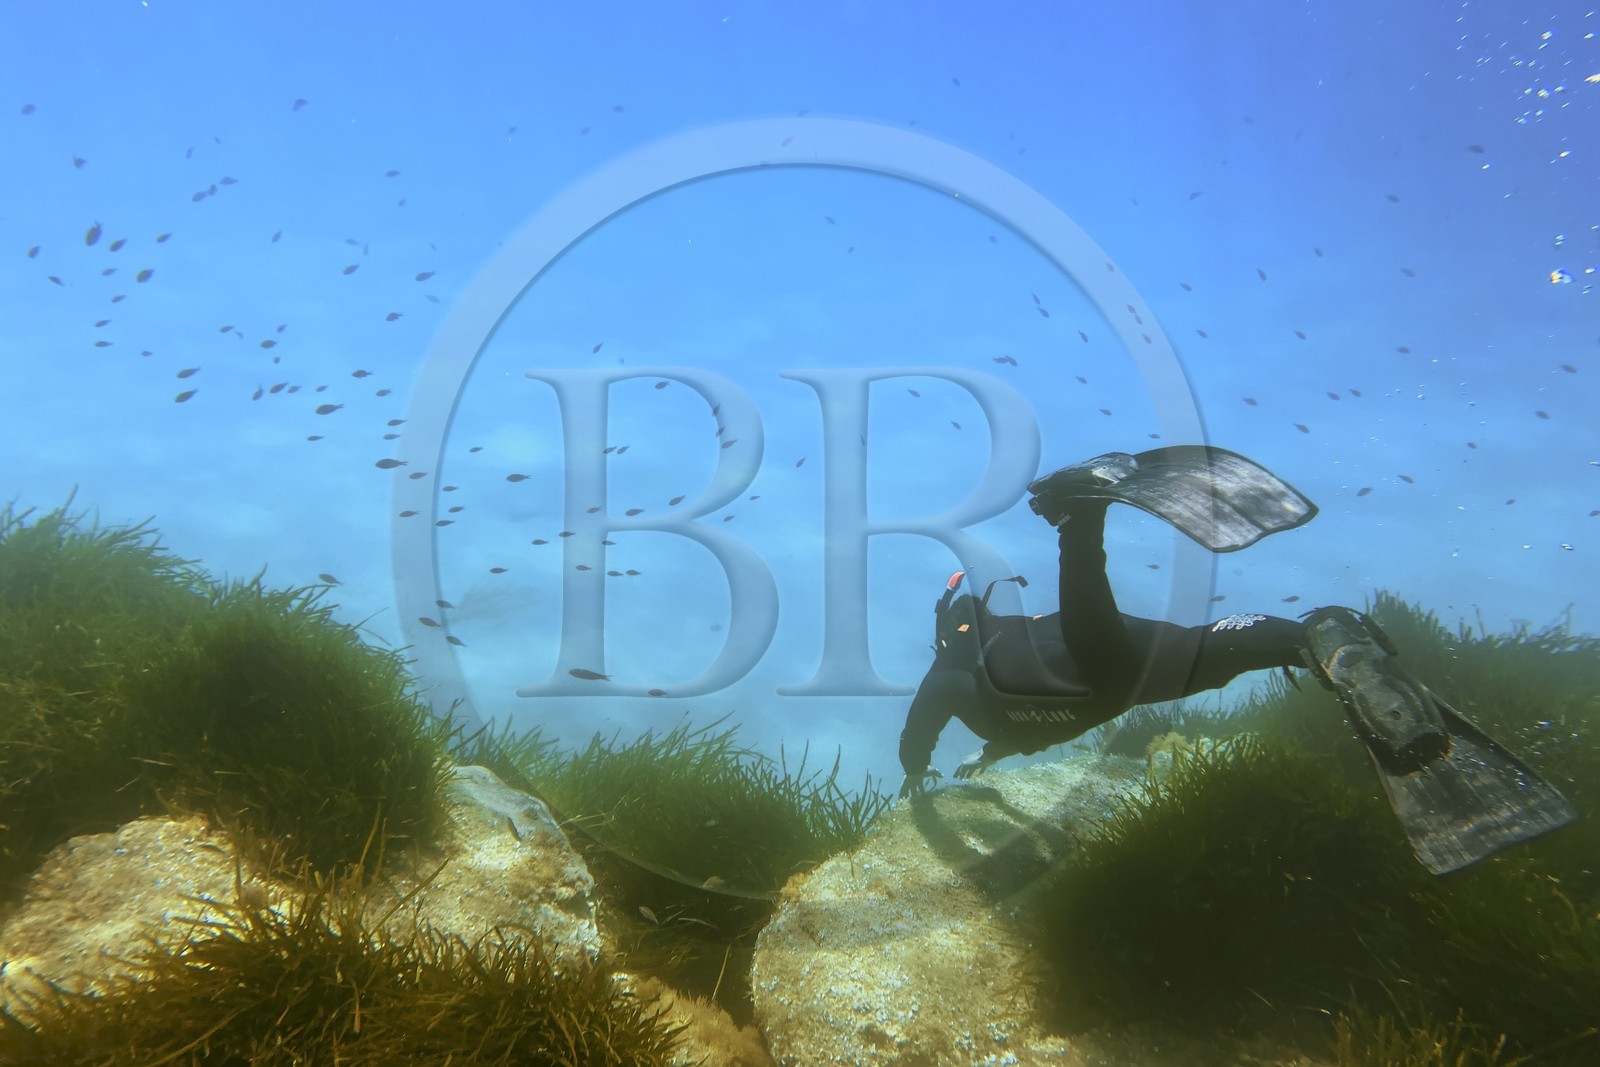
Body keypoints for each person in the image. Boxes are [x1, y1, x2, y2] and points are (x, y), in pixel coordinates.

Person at [896, 447, 1576, 875]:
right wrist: (983, 759)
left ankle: (1079, 518)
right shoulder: (1010, 632)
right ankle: (1326, 637)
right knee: (1234, 647)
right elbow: (1011, 715)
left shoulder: (956, 667)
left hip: (1086, 676)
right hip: (1139, 654)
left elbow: (929, 715)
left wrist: (914, 773)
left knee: (1098, 653)